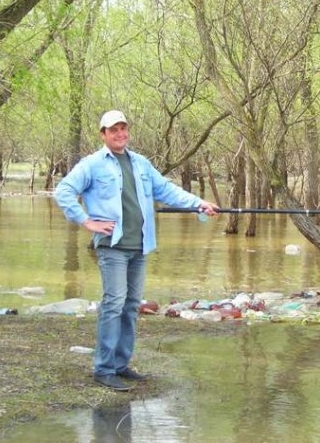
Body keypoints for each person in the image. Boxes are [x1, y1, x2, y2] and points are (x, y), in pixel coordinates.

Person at [55, 110, 219, 392]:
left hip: (140, 246)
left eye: (123, 128)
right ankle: (104, 369)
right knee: (113, 304)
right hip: (112, 246)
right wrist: (85, 220)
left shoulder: (141, 163)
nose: (120, 134)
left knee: (131, 306)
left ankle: (121, 364)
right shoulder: (92, 164)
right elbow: (63, 191)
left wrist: (198, 203)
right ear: (103, 134)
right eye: (113, 130)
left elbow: (167, 191)